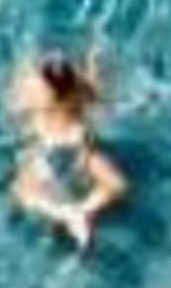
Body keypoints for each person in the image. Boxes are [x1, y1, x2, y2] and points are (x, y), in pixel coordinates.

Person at [7, 51, 129, 251]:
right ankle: (81, 210)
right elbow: (99, 100)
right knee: (117, 186)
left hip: (48, 148)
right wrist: (95, 67)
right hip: (77, 144)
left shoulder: (31, 90)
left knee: (22, 192)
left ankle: (65, 213)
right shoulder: (79, 87)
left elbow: (16, 111)